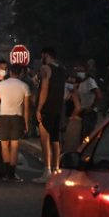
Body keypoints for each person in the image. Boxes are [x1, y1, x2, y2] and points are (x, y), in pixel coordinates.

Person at [0, 63, 31, 182]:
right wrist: (26, 123)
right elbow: (26, 107)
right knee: (14, 146)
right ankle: (12, 173)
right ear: (21, 73)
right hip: (17, 117)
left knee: (4, 145)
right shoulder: (24, 86)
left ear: (10, 72)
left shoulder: (1, 84)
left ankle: (4, 171)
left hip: (3, 116)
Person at [35, 47, 66, 183]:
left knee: (44, 139)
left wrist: (39, 109)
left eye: (42, 56)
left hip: (47, 108)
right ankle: (56, 169)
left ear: (46, 55)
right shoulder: (62, 70)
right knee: (55, 140)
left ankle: (47, 170)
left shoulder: (46, 68)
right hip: (58, 108)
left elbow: (44, 89)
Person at [75, 65, 102, 138]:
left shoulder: (90, 81)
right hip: (84, 112)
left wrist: (91, 108)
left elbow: (99, 95)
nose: (79, 73)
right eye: (78, 71)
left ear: (86, 72)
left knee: (87, 135)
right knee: (82, 134)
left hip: (90, 113)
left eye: (81, 71)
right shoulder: (81, 83)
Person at [63, 75, 83, 153]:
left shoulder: (74, 93)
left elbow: (78, 107)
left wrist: (71, 117)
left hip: (71, 119)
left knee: (69, 139)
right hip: (76, 118)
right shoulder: (78, 93)